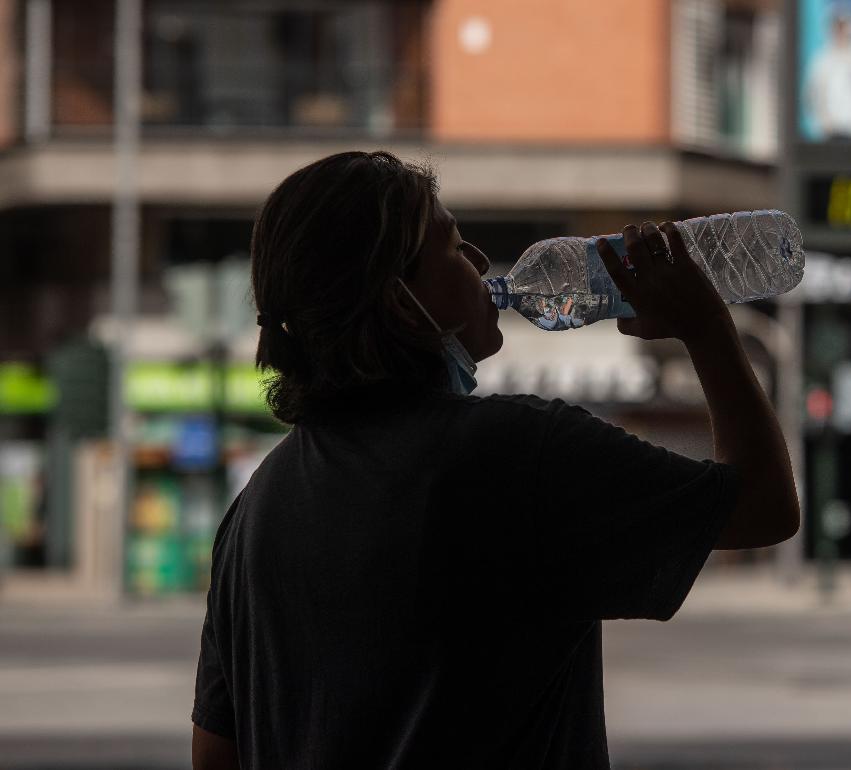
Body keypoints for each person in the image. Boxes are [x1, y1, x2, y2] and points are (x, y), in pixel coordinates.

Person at [190, 151, 798, 768]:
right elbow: (765, 508)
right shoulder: (518, 452)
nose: (482, 264)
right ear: (402, 302)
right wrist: (708, 326)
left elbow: (214, 752)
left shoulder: (250, 515)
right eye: (453, 247)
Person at [801, 6, 851, 141]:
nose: (843, 32)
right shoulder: (822, 61)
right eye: (839, 27)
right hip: (831, 133)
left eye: (845, 26)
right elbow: (811, 96)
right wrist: (822, 122)